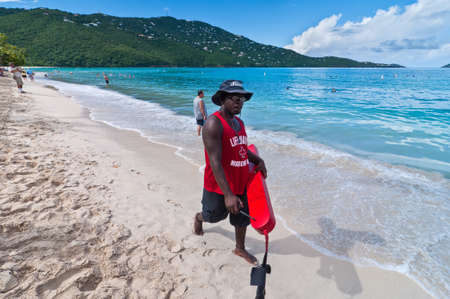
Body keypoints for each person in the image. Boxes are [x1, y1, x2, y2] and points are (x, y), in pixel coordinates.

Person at [193, 80, 267, 265]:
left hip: (241, 180)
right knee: (214, 216)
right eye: (235, 99)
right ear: (223, 100)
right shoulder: (213, 124)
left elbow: (241, 148)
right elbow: (214, 161)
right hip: (218, 185)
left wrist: (257, 160)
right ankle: (198, 217)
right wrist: (228, 194)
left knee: (241, 218)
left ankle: (239, 248)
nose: (239, 103)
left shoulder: (239, 122)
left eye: (242, 100)